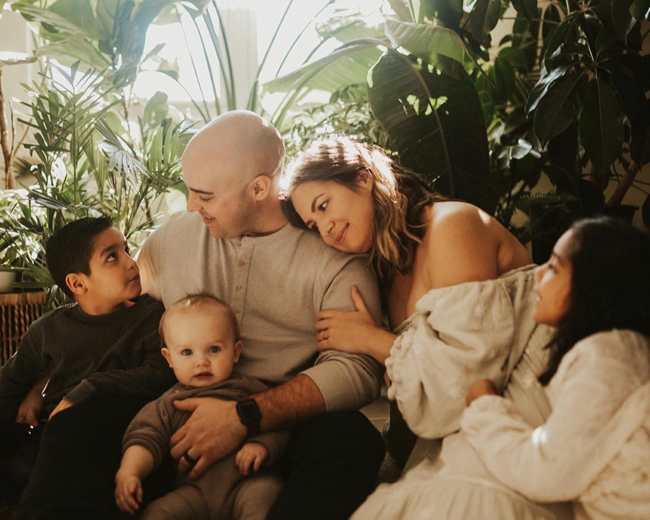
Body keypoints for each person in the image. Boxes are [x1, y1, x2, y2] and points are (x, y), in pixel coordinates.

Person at [284, 137, 573, 518]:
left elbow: (465, 378)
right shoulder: (388, 277)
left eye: (324, 206)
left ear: (364, 178)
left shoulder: (452, 225)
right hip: (457, 429)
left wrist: (373, 340)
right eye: (314, 223)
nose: (327, 229)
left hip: (524, 405)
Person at [135, 111, 386, 520]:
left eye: (205, 195)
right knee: (86, 418)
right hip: (181, 413)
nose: (191, 205)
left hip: (282, 428)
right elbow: (122, 295)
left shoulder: (332, 259)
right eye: (189, 191)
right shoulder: (175, 236)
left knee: (350, 439)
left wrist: (247, 416)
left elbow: (357, 369)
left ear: (258, 188)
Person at [460, 217, 650, 519]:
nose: (537, 275)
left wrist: (485, 407)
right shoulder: (612, 352)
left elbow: (545, 472)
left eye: (554, 267)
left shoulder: (610, 356)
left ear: (593, 287)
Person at [0, 217, 174, 513]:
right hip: (41, 440)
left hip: (106, 441)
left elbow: (160, 374)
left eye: (126, 250)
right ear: (77, 283)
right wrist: (34, 391)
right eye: (112, 257)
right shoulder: (48, 330)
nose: (131, 263)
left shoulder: (152, 318)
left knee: (68, 428)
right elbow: (9, 384)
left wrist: (89, 387)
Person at [116, 294, 288, 519]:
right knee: (157, 512)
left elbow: (278, 423)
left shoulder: (249, 391)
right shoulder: (169, 403)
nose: (201, 362)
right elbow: (145, 436)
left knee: (265, 495)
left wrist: (262, 446)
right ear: (169, 358)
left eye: (214, 350)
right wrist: (130, 472)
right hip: (193, 492)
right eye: (187, 352)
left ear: (236, 352)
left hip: (245, 484)